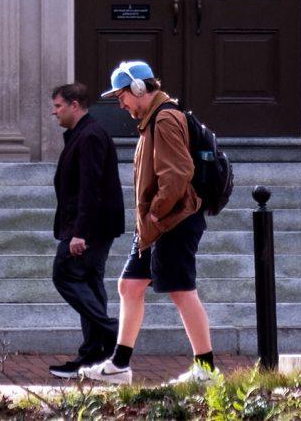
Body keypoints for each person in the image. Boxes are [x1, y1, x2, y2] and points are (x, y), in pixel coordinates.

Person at [77, 60, 217, 387]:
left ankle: (207, 371)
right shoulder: (153, 119)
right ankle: (120, 366)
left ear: (139, 88)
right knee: (130, 286)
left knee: (182, 291)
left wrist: (156, 211)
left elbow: (178, 173)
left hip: (172, 221)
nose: (120, 103)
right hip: (155, 225)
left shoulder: (165, 118)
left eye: (122, 95)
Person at [46, 81, 125, 379]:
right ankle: (95, 355)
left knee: (64, 274)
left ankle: (112, 331)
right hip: (92, 224)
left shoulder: (90, 136)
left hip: (89, 226)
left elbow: (91, 188)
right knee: (90, 283)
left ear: (74, 105)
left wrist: (80, 233)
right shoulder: (83, 134)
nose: (55, 113)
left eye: (58, 106)